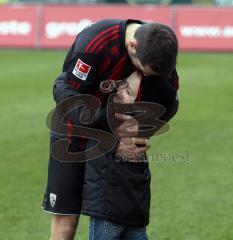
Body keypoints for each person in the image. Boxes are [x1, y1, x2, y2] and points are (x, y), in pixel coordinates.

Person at [41, 19, 179, 240]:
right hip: (72, 132)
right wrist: (109, 127)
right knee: (65, 226)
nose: (144, 75)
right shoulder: (95, 42)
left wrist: (137, 132)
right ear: (132, 46)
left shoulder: (158, 51)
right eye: (143, 70)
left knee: (119, 216)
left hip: (113, 140)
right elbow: (65, 94)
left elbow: (170, 103)